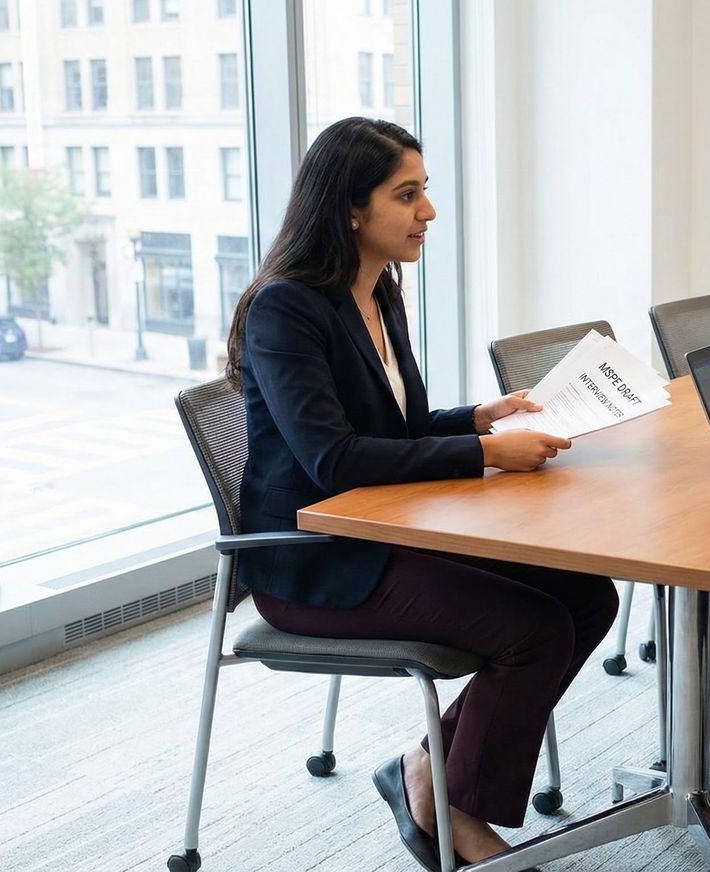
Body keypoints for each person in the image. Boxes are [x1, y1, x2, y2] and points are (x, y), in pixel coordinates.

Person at [223, 117, 617, 871]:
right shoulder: (285, 307)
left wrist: (478, 417)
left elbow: (394, 427)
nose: (428, 212)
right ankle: (451, 805)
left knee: (589, 596)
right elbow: (333, 457)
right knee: (530, 628)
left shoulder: (378, 293)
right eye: (407, 195)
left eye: (425, 192)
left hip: (388, 531)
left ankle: (423, 772)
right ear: (349, 208)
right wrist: (482, 452)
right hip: (315, 562)